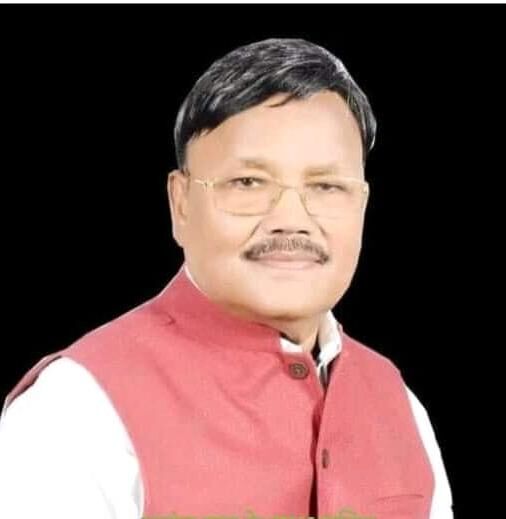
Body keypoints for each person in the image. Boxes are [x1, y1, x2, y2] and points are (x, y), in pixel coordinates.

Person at [0, 38, 453, 519]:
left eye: (326, 186)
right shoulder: (77, 409)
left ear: (361, 203)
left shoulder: (398, 403)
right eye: (248, 183)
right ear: (180, 204)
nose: (291, 220)